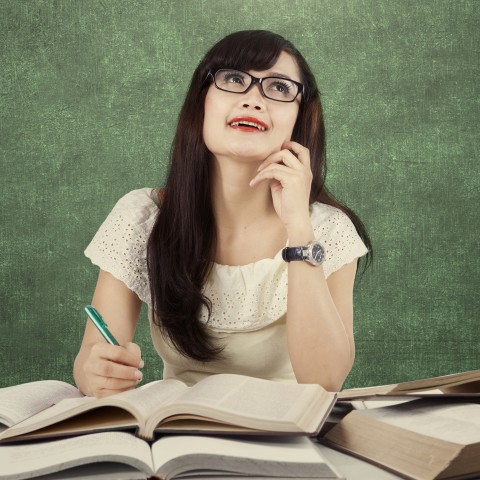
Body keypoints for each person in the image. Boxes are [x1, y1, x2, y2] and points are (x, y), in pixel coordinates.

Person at [73, 30, 372, 398]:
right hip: (174, 430)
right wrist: (96, 372)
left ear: (300, 117)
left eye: (278, 88)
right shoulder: (142, 217)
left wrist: (299, 227)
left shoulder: (328, 230)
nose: (253, 100)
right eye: (233, 79)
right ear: (201, 102)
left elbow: (325, 380)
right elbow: (92, 357)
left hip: (285, 434)